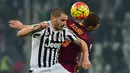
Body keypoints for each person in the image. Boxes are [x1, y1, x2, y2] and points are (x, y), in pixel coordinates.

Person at [9, 12, 100, 73]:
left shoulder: (67, 23)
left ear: (83, 19)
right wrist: (84, 61)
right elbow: (81, 64)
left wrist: (21, 26)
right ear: (93, 27)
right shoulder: (87, 39)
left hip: (53, 63)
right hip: (68, 67)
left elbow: (38, 27)